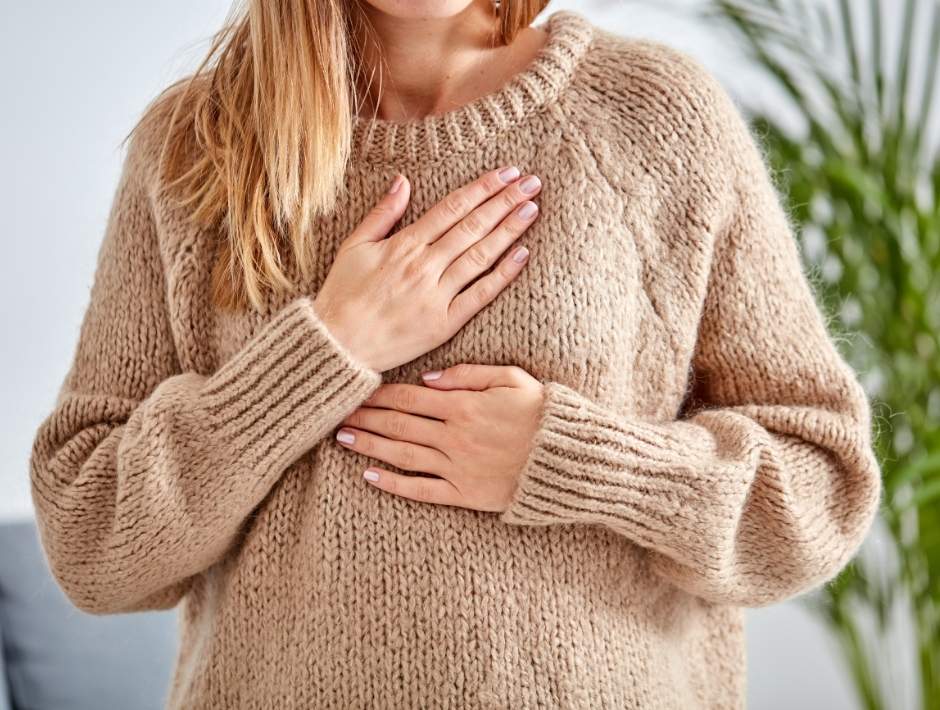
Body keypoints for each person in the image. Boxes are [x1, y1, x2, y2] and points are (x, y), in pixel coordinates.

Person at [29, 1, 883, 708]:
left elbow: (820, 489)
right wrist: (323, 351)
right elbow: (91, 543)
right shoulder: (197, 145)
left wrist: (574, 461)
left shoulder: (654, 119)